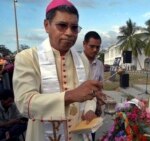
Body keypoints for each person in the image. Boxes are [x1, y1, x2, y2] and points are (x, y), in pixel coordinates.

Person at [13, 0, 105, 141]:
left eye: (74, 28)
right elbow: (25, 103)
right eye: (62, 25)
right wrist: (71, 96)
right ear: (46, 25)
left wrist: (89, 110)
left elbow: (89, 96)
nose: (69, 33)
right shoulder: (28, 58)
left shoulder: (83, 62)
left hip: (78, 135)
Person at [81, 31, 104, 140]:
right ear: (84, 44)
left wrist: (99, 104)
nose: (95, 50)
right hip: (77, 109)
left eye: (98, 47)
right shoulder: (76, 62)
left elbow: (100, 86)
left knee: (91, 135)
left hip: (93, 107)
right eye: (92, 46)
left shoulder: (99, 64)